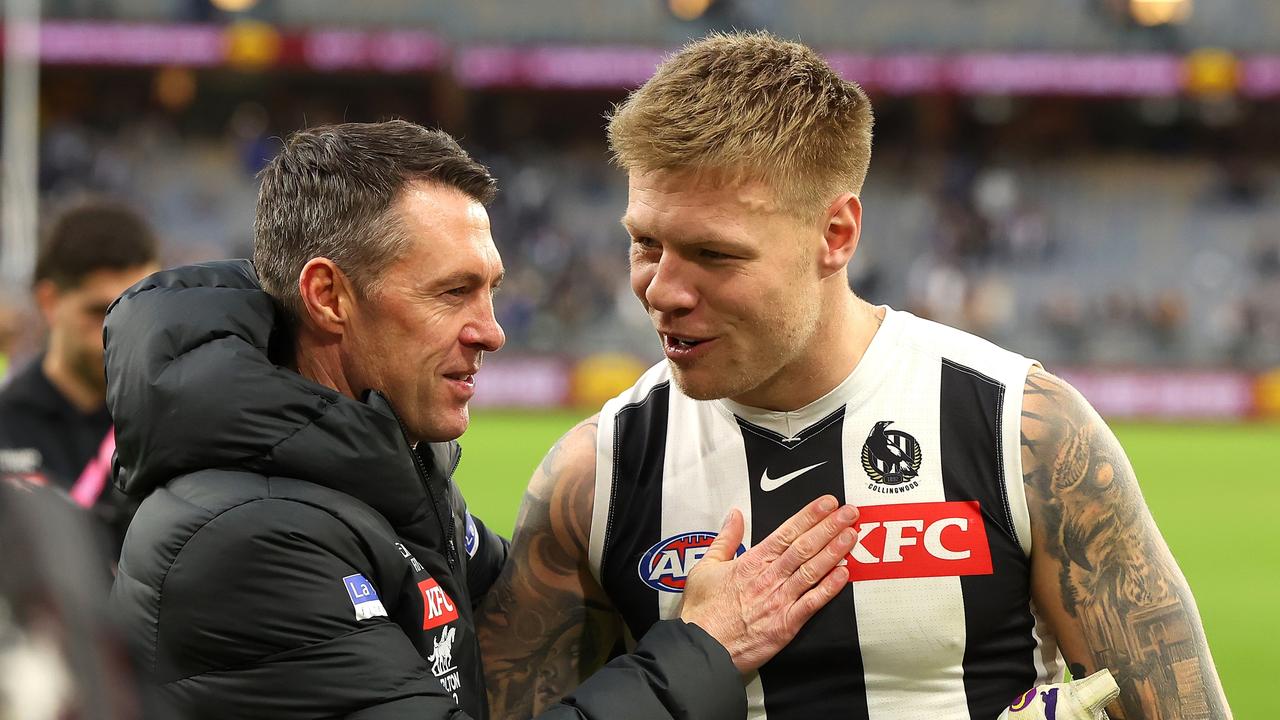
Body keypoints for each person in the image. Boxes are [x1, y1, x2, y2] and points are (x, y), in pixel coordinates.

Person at [477, 32, 1232, 720]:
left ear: (835, 234)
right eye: (645, 243)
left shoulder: (1023, 433)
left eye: (714, 254)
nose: (661, 289)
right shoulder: (594, 477)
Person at [103, 120, 859, 720]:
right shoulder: (246, 540)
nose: (491, 331)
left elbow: (522, 605)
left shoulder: (375, 466)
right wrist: (704, 648)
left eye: (491, 289)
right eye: (452, 292)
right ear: (330, 297)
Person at [0, 199, 159, 554]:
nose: (122, 331)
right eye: (100, 311)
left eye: (141, 306)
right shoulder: (6, 426)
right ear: (49, 301)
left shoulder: (173, 427)